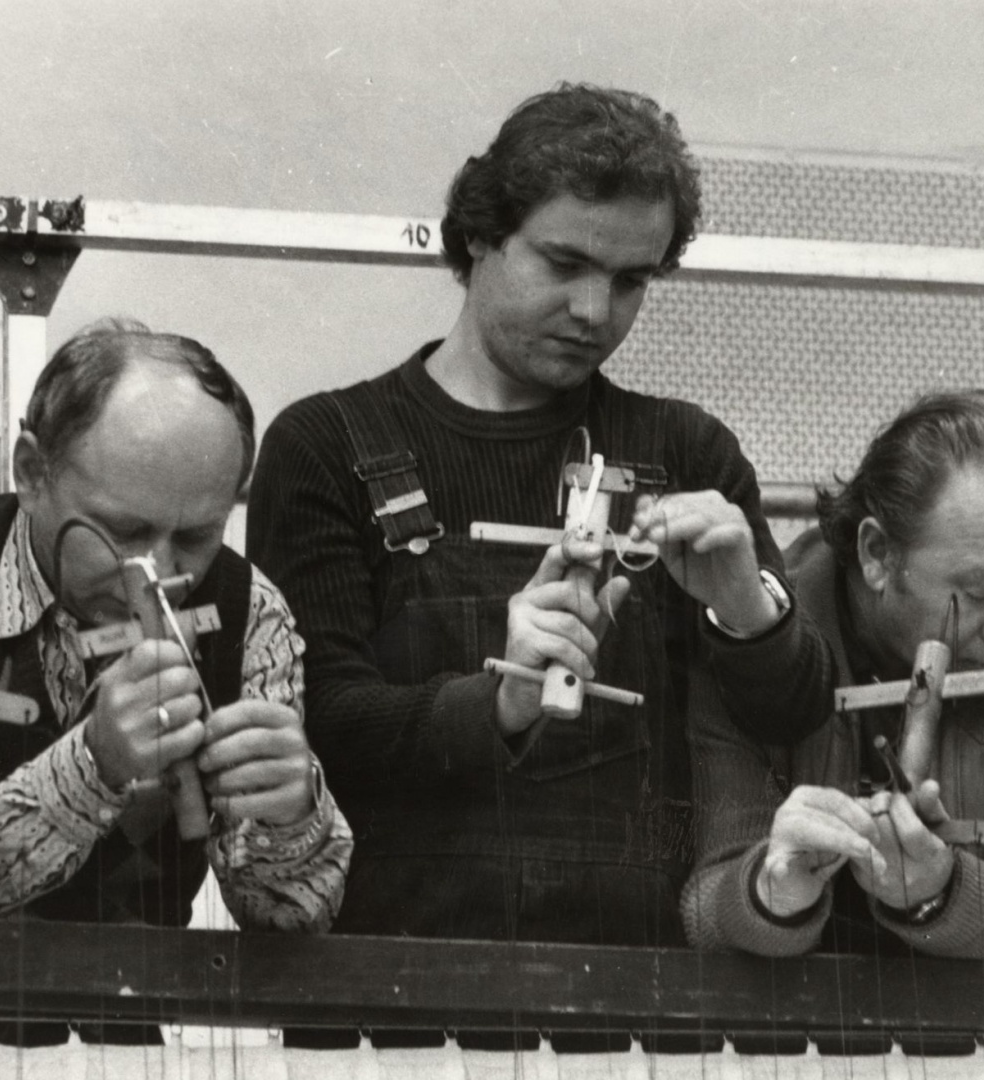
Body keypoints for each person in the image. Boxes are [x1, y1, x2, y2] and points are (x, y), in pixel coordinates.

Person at [247, 83, 812, 945]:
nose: (594, 312)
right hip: (393, 979)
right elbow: (315, 723)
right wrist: (496, 704)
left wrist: (747, 613)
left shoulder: (688, 453)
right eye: (563, 264)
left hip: (638, 988)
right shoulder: (327, 446)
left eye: (630, 281)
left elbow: (792, 721)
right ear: (480, 234)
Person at [0, 321, 351, 930]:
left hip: (142, 989)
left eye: (196, 536)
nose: (160, 572)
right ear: (32, 473)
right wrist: (96, 763)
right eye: (125, 531)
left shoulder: (251, 609)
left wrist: (292, 817)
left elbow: (291, 920)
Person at [683, 391, 984, 959]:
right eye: (980, 591)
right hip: (779, 1004)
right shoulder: (752, 631)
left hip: (969, 1007)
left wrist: (940, 891)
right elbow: (703, 907)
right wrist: (771, 893)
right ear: (877, 553)